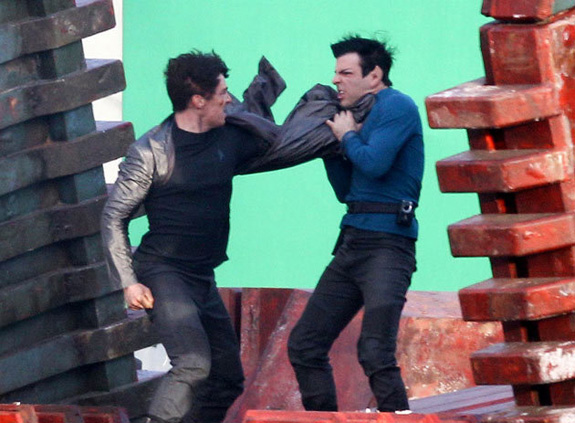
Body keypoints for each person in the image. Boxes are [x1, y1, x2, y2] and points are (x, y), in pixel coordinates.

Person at [101, 51, 278, 423]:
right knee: (194, 363)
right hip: (163, 272)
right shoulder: (151, 151)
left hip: (202, 275)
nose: (229, 100)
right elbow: (114, 216)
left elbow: (275, 141)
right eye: (223, 93)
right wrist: (128, 283)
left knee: (227, 379)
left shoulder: (229, 137)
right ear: (198, 100)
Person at [287, 36, 424, 413]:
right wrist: (329, 149)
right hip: (352, 242)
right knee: (304, 345)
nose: (336, 80)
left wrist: (346, 136)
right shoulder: (356, 115)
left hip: (388, 246)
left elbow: (375, 164)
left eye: (346, 73)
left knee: (375, 351)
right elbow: (347, 192)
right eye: (336, 73)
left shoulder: (397, 106)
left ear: (374, 76)